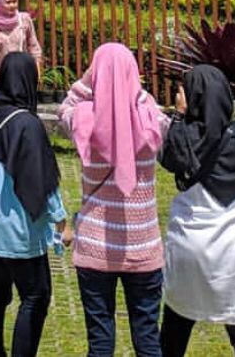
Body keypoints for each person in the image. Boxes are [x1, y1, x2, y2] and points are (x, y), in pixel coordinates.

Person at [59, 42, 171, 357]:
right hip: (143, 246)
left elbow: (65, 104)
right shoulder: (151, 118)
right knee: (148, 338)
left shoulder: (83, 119)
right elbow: (150, 104)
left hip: (96, 246)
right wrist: (131, 87)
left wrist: (89, 81)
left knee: (100, 341)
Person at [158, 65, 235, 357]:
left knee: (174, 331)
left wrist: (179, 117)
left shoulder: (186, 140)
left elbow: (171, 156)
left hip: (190, 247)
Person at [0, 51, 70, 357]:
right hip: (18, 227)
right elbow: (41, 181)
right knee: (36, 295)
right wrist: (60, 221)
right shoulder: (27, 125)